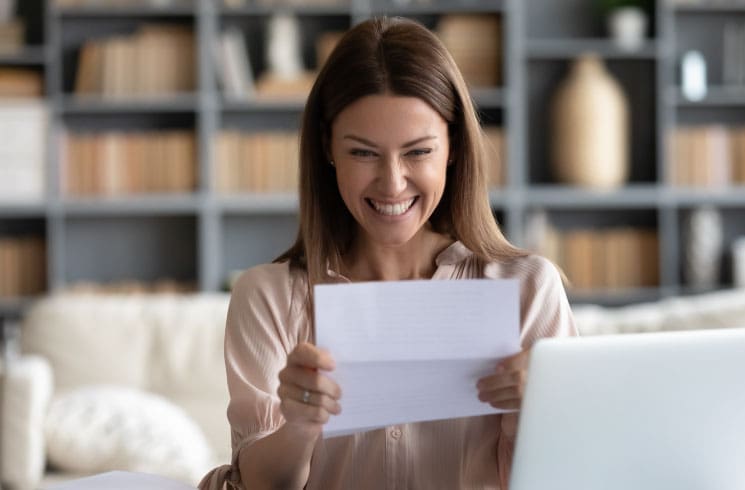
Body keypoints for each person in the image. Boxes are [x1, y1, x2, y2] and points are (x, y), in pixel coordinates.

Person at [199, 16, 576, 490]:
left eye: (418, 152)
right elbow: (260, 485)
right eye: (363, 153)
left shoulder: (527, 289)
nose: (392, 183)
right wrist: (299, 425)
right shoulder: (268, 297)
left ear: (454, 147)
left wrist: (533, 412)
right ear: (327, 148)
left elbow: (568, 477)